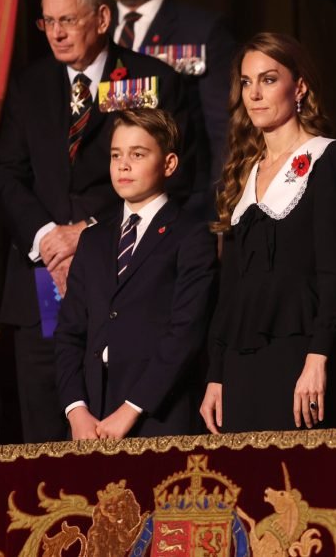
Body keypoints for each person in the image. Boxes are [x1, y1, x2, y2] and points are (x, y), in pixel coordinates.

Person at [0, 0, 200, 443]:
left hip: (125, 280)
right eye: (48, 22)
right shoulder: (29, 86)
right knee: (46, 437)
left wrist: (85, 230)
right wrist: (48, 237)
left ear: (102, 17)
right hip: (39, 281)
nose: (57, 32)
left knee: (121, 442)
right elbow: (7, 176)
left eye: (68, 19)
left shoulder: (153, 79)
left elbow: (177, 173)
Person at [199, 32, 336, 434]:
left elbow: (335, 272)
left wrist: (318, 356)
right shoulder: (243, 171)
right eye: (247, 82)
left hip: (298, 355)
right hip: (240, 362)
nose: (254, 93)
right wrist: (215, 376)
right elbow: (229, 289)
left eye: (268, 80)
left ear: (299, 86)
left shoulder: (330, 156)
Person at [55, 109, 217, 439]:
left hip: (157, 415)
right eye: (116, 155)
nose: (123, 165)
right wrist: (76, 409)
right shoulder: (93, 239)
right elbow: (70, 332)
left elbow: (185, 333)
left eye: (137, 154)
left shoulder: (190, 235)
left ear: (169, 164)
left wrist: (132, 407)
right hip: (93, 415)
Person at [99, 0, 237, 215]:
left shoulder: (202, 31)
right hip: (105, 214)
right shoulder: (95, 34)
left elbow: (225, 132)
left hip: (183, 210)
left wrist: (217, 215)